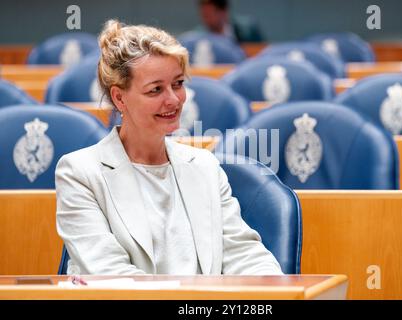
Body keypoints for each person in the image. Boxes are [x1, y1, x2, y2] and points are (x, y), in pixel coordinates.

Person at [55, 19, 282, 275]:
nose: (174, 100)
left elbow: (243, 254)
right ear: (119, 97)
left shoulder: (204, 165)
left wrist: (274, 288)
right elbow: (111, 275)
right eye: (155, 90)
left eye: (178, 84)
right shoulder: (79, 173)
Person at [198, 0, 264, 43]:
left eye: (209, 15)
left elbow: (260, 54)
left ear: (223, 12)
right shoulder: (199, 35)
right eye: (204, 15)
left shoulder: (248, 31)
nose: (206, 20)